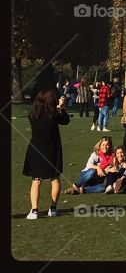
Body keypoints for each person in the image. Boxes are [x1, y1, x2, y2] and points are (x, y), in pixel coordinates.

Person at [23, 88, 70, 219]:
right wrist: (61, 108)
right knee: (55, 178)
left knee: (36, 180)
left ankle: (34, 210)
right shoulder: (54, 114)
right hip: (52, 148)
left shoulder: (33, 114)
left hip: (36, 149)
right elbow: (65, 121)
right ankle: (53, 208)